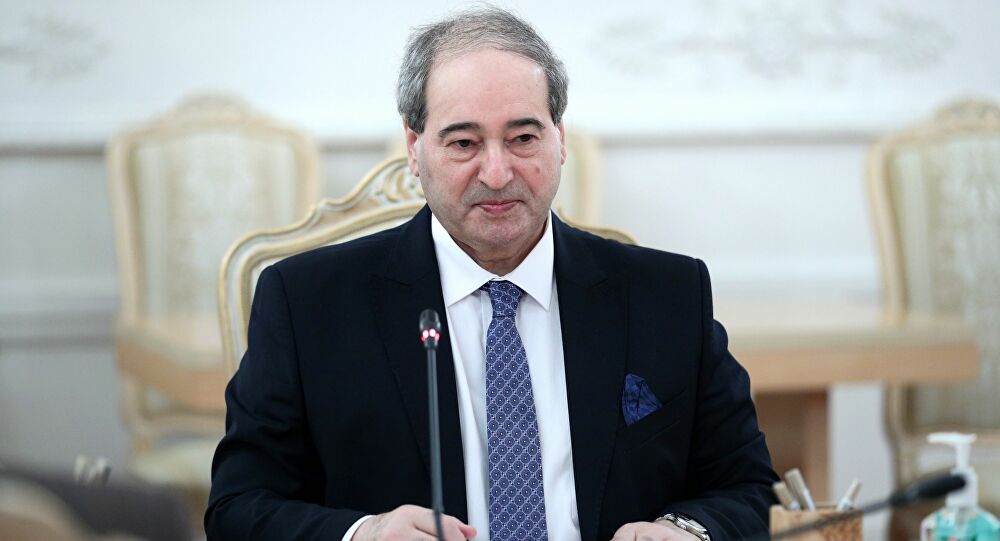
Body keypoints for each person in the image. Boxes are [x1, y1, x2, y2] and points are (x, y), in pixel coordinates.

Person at [206, 6, 778, 541]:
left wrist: (686, 531)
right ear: (415, 148)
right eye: (464, 143)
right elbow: (238, 508)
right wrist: (363, 534)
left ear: (559, 138)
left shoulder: (668, 295)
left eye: (523, 138)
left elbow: (750, 489)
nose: (498, 174)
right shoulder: (308, 303)